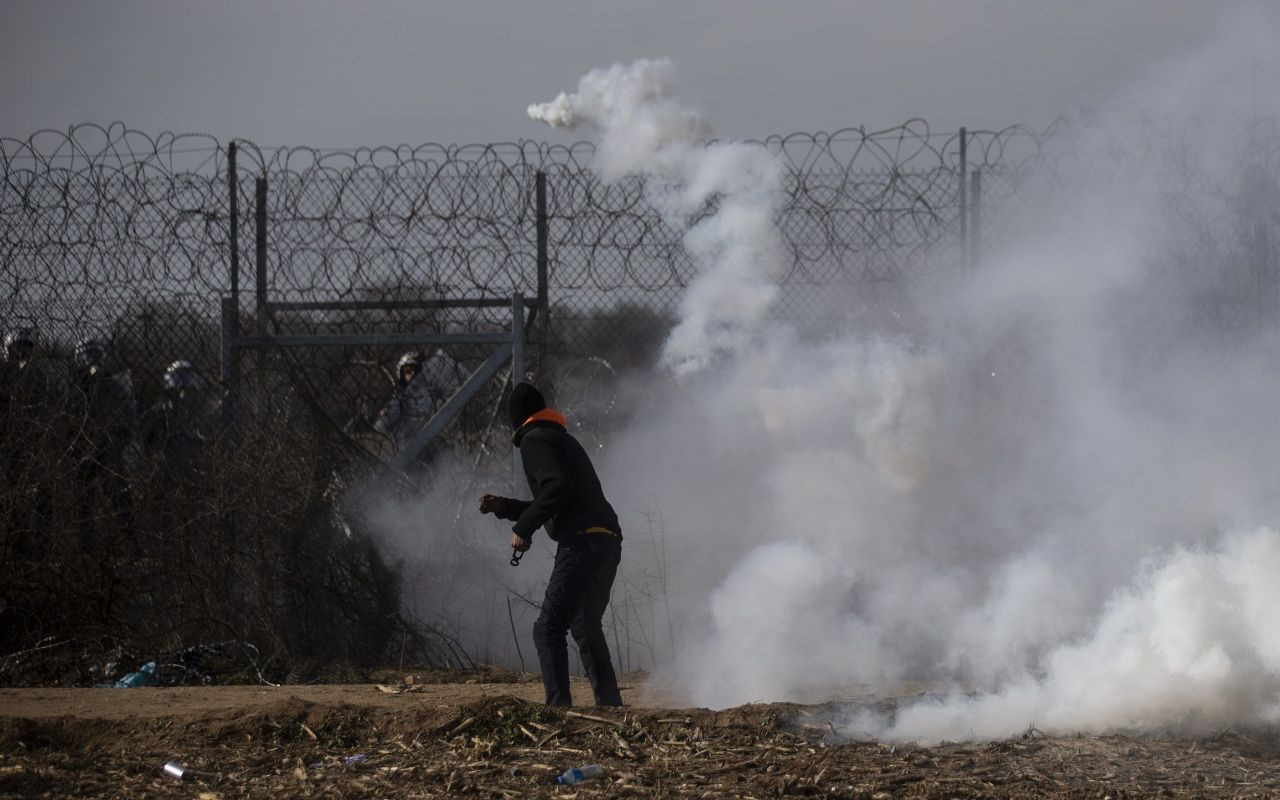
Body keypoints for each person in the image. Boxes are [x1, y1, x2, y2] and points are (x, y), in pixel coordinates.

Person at [479, 382, 624, 707]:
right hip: (607, 539)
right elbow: (557, 497)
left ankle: (557, 712)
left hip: (583, 542)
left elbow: (556, 488)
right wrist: (505, 508)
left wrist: (524, 528)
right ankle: (611, 707)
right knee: (585, 625)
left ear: (516, 419)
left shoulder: (534, 440)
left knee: (548, 629)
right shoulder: (559, 438)